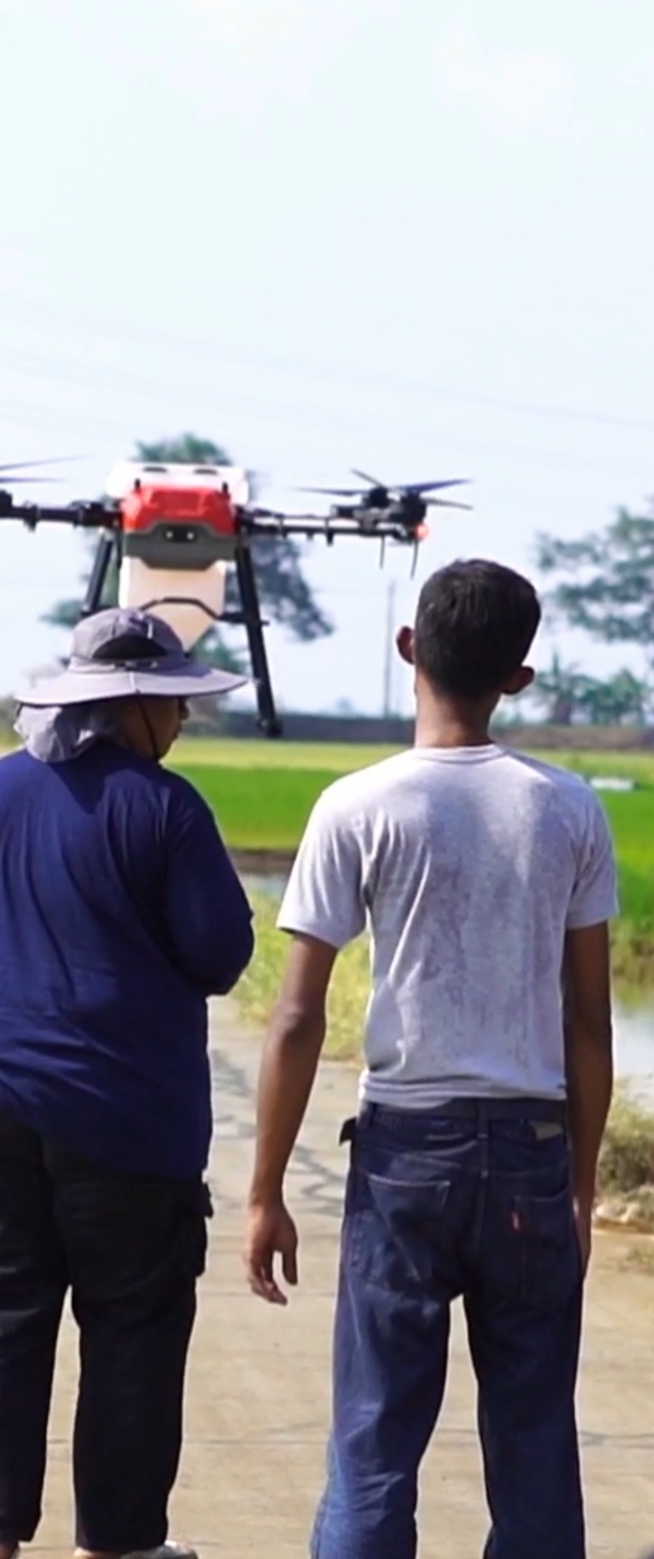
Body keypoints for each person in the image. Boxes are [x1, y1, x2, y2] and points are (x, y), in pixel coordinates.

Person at [244, 560, 618, 1559]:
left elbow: (294, 1019)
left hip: (406, 1148)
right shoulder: (570, 808)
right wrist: (579, 1181)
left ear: (409, 648)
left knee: (374, 1439)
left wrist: (265, 1188)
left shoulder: (358, 805)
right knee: (535, 1436)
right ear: (521, 678)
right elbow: (589, 1019)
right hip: (531, 1149)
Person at [0, 607, 254, 1559]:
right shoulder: (167, 808)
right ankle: (116, 1544)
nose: (181, 725)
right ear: (131, 706)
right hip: (127, 1120)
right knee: (132, 1327)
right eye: (173, 707)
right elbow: (222, 953)